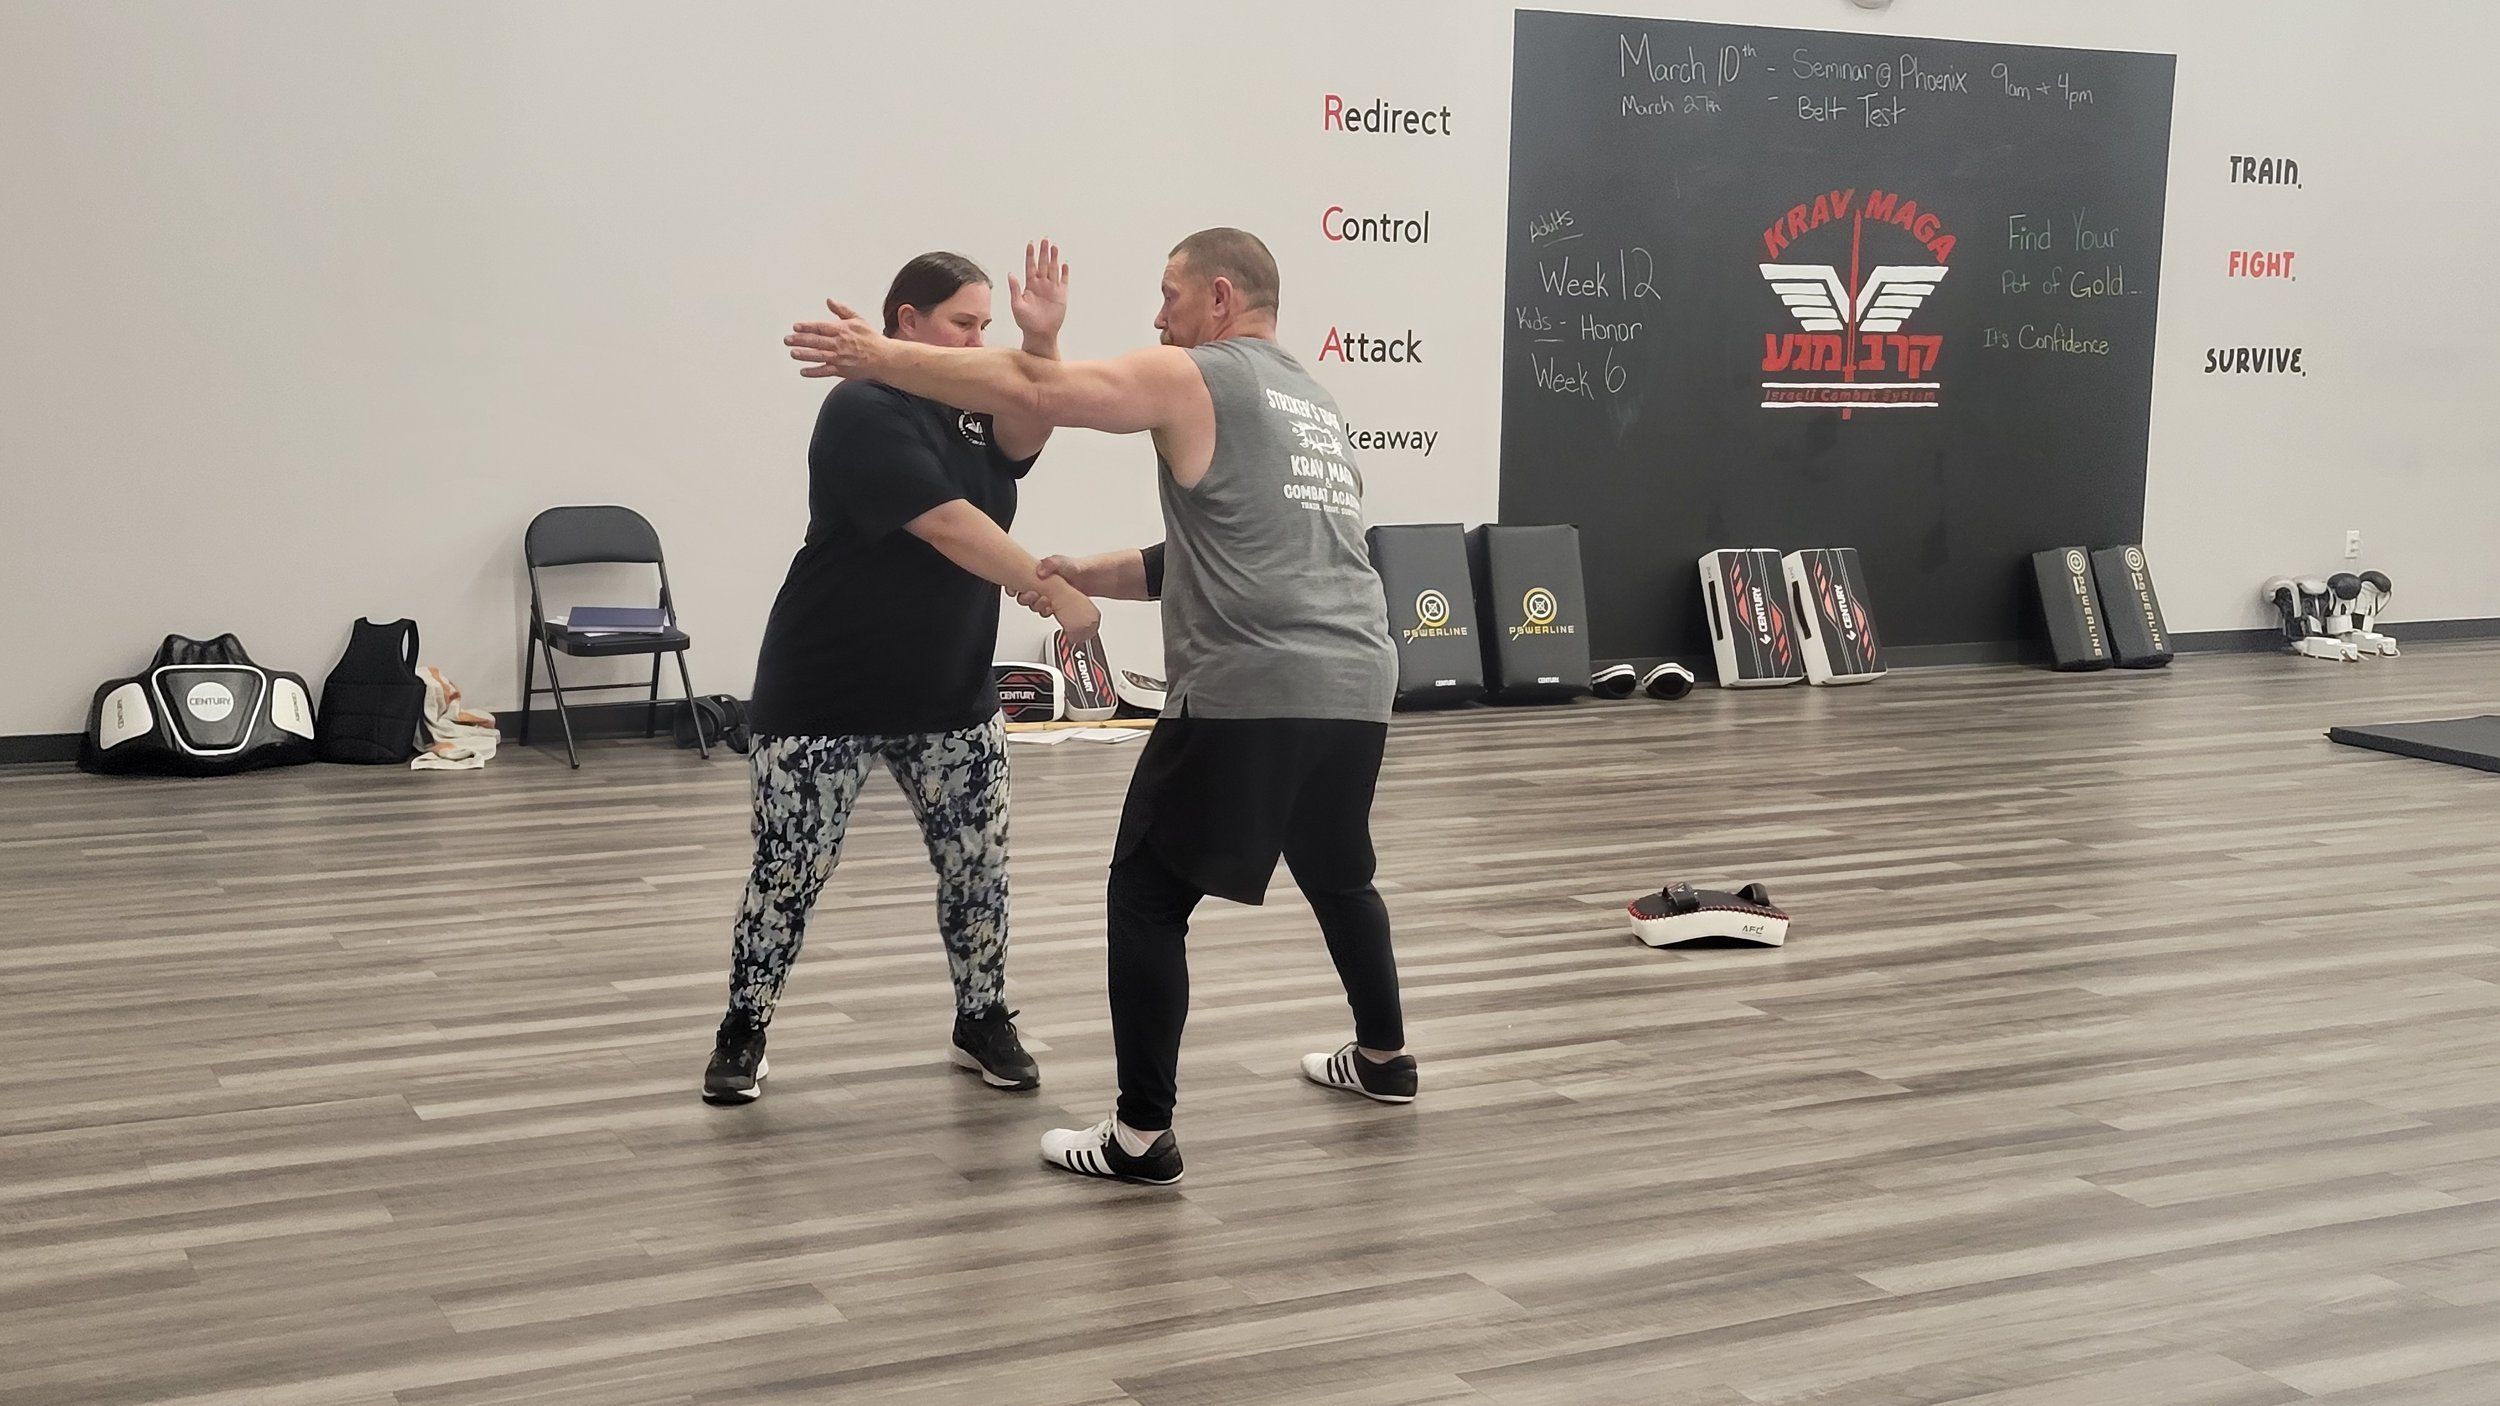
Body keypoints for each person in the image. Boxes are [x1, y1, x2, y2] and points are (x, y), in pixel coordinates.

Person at [785, 229, 1415, 1185]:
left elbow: (1037, 395)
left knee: (1147, 896)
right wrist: (1086, 573)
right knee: (1337, 870)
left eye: (1169, 295)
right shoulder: (1310, 401)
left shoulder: (1196, 371)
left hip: (1252, 685)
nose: (1157, 318)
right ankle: (1384, 1060)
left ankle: (1139, 1137)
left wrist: (878, 357)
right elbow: (1206, 554)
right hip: (1358, 681)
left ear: (1218, 298)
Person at [703, 243, 1100, 1106]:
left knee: (978, 867)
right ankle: (744, 1029)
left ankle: (982, 1019)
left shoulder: (975, 405)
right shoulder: (862, 406)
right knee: (789, 873)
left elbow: (1030, 424)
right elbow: (949, 524)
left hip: (948, 688)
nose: (979, 342)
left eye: (987, 327)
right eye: (964, 324)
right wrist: (1049, 587)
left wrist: (1042, 339)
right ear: (906, 322)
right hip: (827, 690)